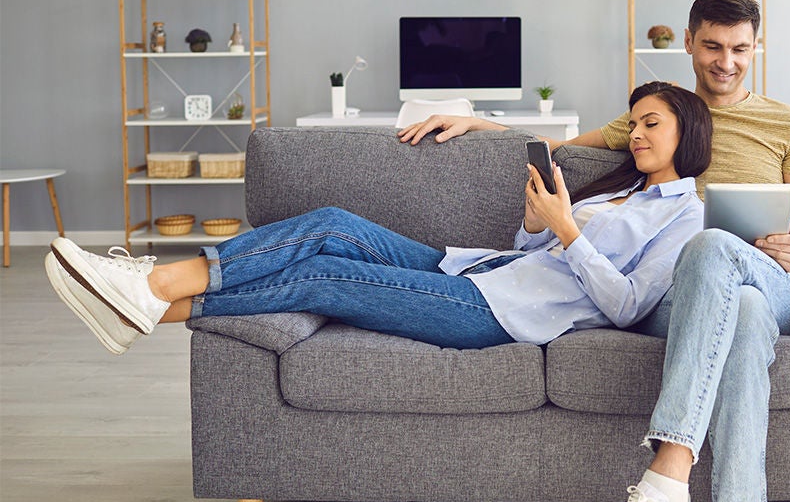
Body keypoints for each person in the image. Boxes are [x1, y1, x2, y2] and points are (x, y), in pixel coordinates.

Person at [400, 0, 790, 502]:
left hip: (767, 277)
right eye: (712, 46)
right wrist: (479, 125)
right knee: (737, 312)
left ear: (757, 47)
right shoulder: (654, 118)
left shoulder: (787, 123)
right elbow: (567, 150)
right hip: (680, 297)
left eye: (740, 49)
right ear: (688, 43)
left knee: (721, 258)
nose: (726, 62)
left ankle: (667, 489)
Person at [45, 82, 710, 356]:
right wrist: (540, 223)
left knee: (326, 275)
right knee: (332, 223)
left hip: (493, 314)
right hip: (479, 270)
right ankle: (148, 294)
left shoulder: (685, 218)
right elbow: (528, 247)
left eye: (652, 124)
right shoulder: (616, 187)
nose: (636, 135)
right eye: (636, 123)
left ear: (690, 131)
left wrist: (566, 230)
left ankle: (150, 296)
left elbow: (626, 307)